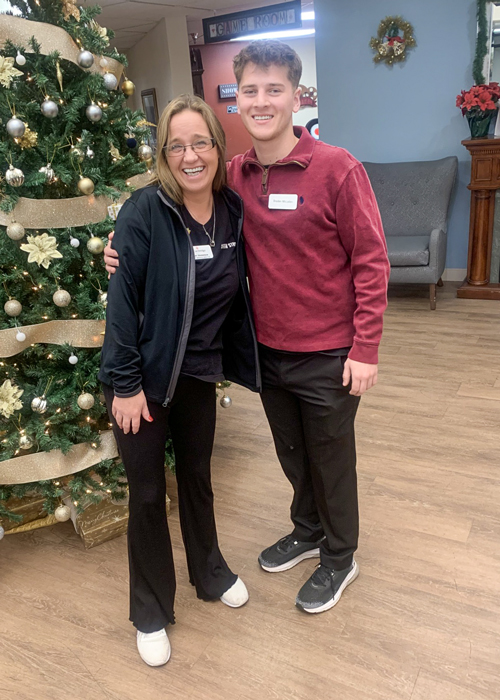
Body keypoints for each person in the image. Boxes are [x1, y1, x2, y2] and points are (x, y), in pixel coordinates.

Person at [104, 40, 389, 617]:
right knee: (291, 452)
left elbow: (371, 261)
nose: (261, 101)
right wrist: (118, 253)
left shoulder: (337, 168)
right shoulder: (236, 175)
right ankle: (307, 530)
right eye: (249, 91)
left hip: (331, 352)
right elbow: (162, 230)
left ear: (296, 95)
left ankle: (339, 555)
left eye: (274, 89)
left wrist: (366, 347)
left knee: (330, 458)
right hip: (267, 352)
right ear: (235, 102)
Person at [99, 94, 260, 667]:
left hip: (198, 376)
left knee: (196, 477)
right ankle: (149, 610)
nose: (191, 156)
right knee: (146, 494)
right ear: (164, 155)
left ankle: (209, 573)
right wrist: (123, 384)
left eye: (201, 143)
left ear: (218, 146)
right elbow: (122, 306)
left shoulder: (232, 211)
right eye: (177, 146)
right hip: (141, 377)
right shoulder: (144, 211)